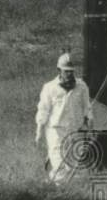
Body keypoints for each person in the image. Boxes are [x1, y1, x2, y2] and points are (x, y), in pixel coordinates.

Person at [36, 53, 92, 184]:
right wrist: (39, 130)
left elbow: (87, 107)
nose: (69, 74)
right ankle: (58, 192)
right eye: (66, 71)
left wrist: (90, 121)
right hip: (56, 131)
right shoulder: (49, 87)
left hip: (75, 130)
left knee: (75, 167)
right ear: (59, 70)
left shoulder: (82, 86)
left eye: (71, 72)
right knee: (59, 165)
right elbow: (43, 110)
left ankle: (67, 192)